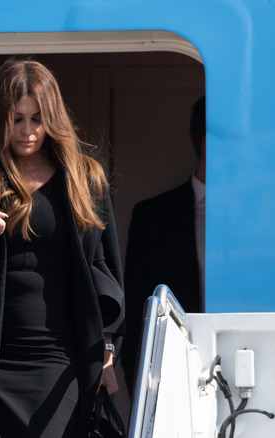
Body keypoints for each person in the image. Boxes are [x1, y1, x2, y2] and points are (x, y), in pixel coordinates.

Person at [0, 59, 125, 437]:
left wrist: (106, 352)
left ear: (52, 118)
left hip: (59, 360)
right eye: (16, 119)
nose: (27, 131)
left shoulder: (84, 179)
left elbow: (104, 271)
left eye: (37, 119)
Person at [121, 95, 206, 396]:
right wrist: (143, 393)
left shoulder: (260, 217)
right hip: (173, 379)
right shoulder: (152, 216)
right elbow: (136, 313)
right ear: (208, 141)